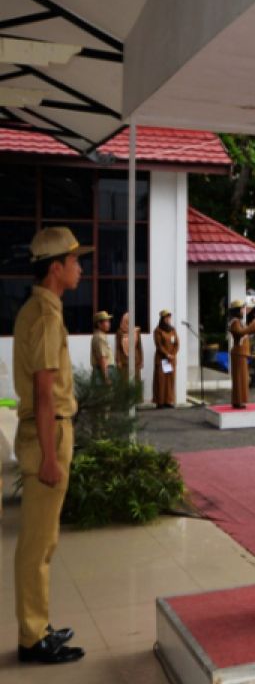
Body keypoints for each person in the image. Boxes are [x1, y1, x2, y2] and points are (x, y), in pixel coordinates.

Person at [13, 227, 89, 664]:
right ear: (56, 268)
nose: (81, 268)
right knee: (38, 544)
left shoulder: (44, 309)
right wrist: (47, 455)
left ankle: (37, 626)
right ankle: (32, 637)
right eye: (76, 261)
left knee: (43, 541)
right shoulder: (44, 316)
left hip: (51, 429)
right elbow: (44, 393)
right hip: (49, 432)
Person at [228, 301, 255, 408]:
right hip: (238, 353)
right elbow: (240, 333)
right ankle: (238, 401)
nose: (244, 310)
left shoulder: (239, 322)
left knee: (242, 378)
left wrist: (254, 329)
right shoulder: (235, 322)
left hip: (241, 353)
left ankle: (239, 400)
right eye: (242, 308)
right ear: (237, 310)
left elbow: (245, 333)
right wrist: (252, 327)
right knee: (239, 378)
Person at [152, 310, 180, 408]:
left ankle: (168, 401)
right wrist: (167, 354)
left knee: (170, 380)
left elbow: (177, 343)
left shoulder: (173, 330)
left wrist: (173, 354)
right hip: (162, 359)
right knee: (161, 381)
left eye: (169, 318)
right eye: (166, 318)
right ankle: (160, 402)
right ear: (162, 319)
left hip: (171, 360)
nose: (168, 320)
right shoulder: (158, 330)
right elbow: (159, 345)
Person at [114, 311, 144, 382]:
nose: (129, 323)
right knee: (124, 383)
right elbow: (118, 348)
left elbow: (139, 346)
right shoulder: (119, 332)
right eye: (127, 321)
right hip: (124, 362)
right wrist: (118, 361)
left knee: (136, 382)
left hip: (135, 361)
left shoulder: (136, 332)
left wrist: (141, 361)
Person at [90, 311, 114, 384]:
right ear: (99, 324)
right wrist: (106, 377)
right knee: (104, 394)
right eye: (106, 321)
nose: (108, 324)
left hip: (104, 370)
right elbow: (102, 358)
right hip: (102, 371)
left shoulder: (101, 336)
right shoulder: (100, 338)